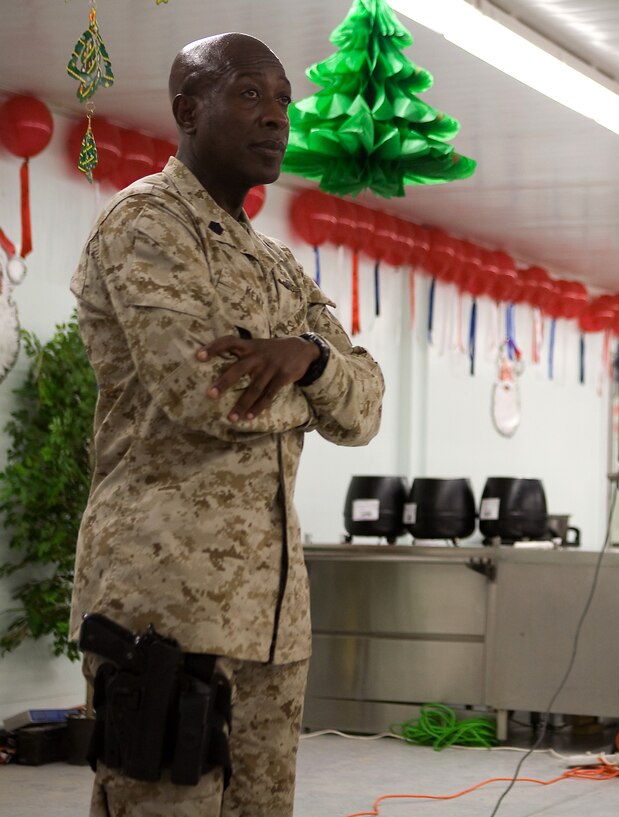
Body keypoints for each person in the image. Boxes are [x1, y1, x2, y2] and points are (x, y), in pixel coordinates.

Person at [68, 33, 385, 815]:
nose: (277, 116)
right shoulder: (144, 222)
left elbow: (366, 405)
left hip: (271, 617)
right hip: (164, 604)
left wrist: (305, 358)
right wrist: (315, 382)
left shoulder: (275, 263)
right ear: (188, 110)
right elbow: (202, 392)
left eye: (283, 99)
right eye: (249, 94)